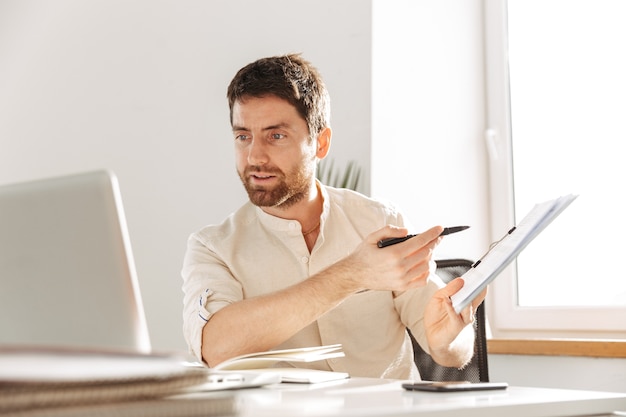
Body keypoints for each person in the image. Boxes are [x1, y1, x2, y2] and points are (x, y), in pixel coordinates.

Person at [181, 53, 486, 379]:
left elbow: (449, 350)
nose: (255, 155)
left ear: (321, 143)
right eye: (243, 136)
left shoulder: (379, 222)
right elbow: (215, 348)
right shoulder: (213, 248)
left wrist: (452, 334)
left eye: (276, 135)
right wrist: (352, 274)